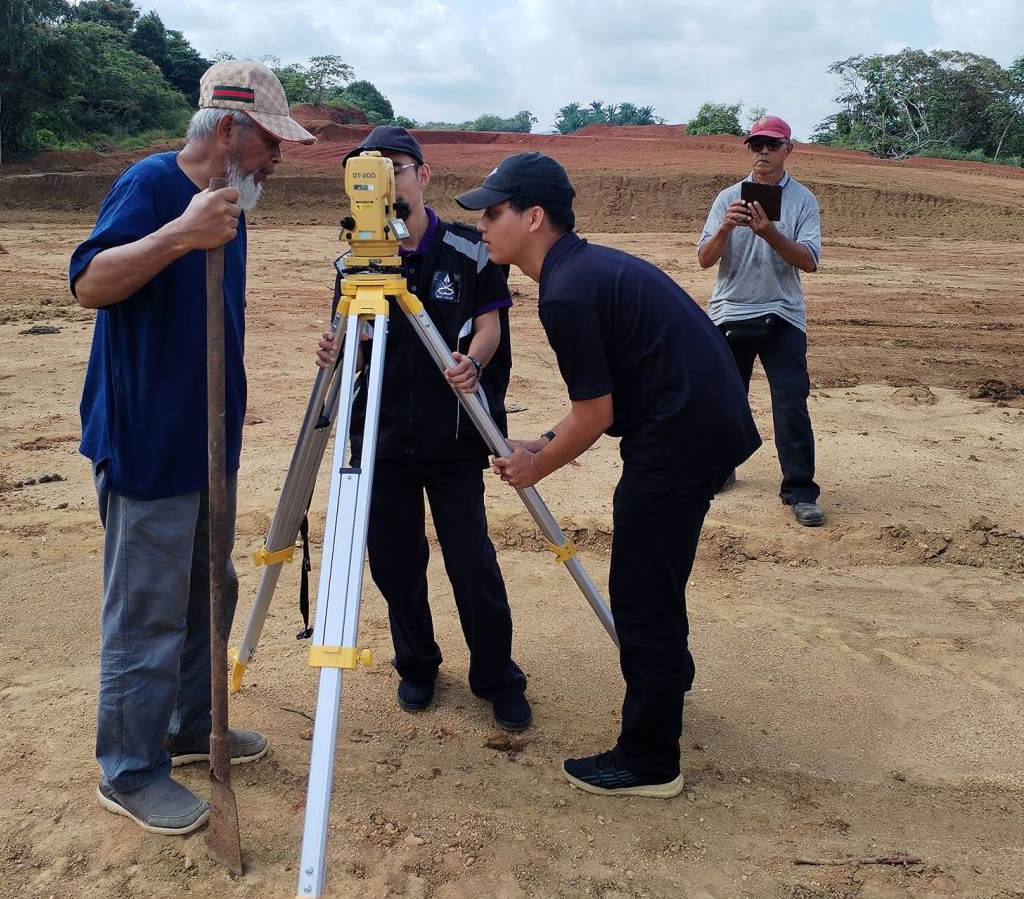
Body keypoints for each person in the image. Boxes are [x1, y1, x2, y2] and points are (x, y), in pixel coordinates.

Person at [455, 152, 761, 798]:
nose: (482, 226)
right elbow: (605, 402)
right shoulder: (585, 271)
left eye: (493, 212)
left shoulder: (566, 292)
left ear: (534, 217)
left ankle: (651, 761)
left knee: (642, 591)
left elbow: (595, 413)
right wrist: (539, 441)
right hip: (697, 423)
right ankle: (668, 676)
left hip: (681, 434)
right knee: (654, 573)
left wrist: (536, 463)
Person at [70, 60, 316, 835]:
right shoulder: (150, 186)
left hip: (208, 440)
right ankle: (130, 770)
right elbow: (88, 282)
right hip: (148, 442)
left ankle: (187, 726)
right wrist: (178, 234)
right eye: (272, 142)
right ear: (231, 130)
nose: (279, 159)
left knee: (212, 589)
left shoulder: (232, 204)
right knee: (147, 612)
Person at [316, 126, 531, 732]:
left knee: (471, 560)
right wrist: (338, 346)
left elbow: (489, 325)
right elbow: (359, 344)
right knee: (392, 559)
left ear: (422, 175)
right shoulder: (353, 260)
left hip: (453, 434)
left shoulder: (469, 249)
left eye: (396, 167)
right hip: (381, 434)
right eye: (370, 168)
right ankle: (417, 664)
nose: (386, 179)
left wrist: (474, 363)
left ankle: (496, 675)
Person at [696, 115, 824, 526]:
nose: (763, 153)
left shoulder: (802, 200)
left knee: (790, 403)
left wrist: (768, 231)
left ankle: (800, 489)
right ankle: (719, 469)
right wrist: (725, 229)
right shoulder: (727, 197)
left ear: (789, 149)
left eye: (772, 145)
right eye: (756, 145)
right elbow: (703, 259)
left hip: (782, 313)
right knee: (724, 402)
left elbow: (809, 261)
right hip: (730, 311)